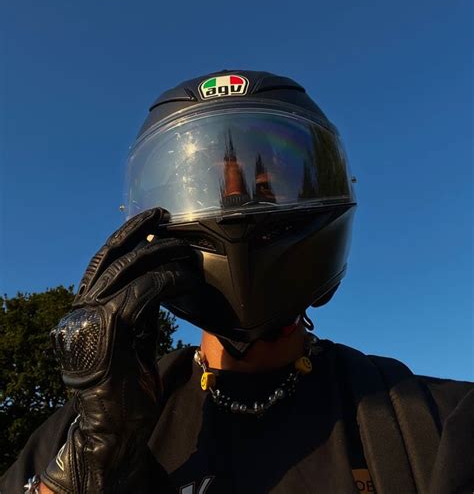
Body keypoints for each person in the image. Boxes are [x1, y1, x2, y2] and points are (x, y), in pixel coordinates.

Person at [1, 70, 472, 494]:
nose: (236, 206)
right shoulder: (83, 432)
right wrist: (94, 456)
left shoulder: (437, 423)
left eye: (267, 187)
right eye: (206, 188)